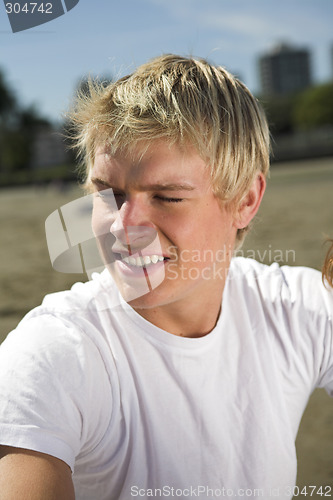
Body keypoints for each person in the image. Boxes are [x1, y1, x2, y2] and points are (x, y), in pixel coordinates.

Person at [0, 54, 332, 500]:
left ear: (246, 200)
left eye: (166, 197)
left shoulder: (297, 311)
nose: (122, 226)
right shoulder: (57, 353)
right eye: (109, 193)